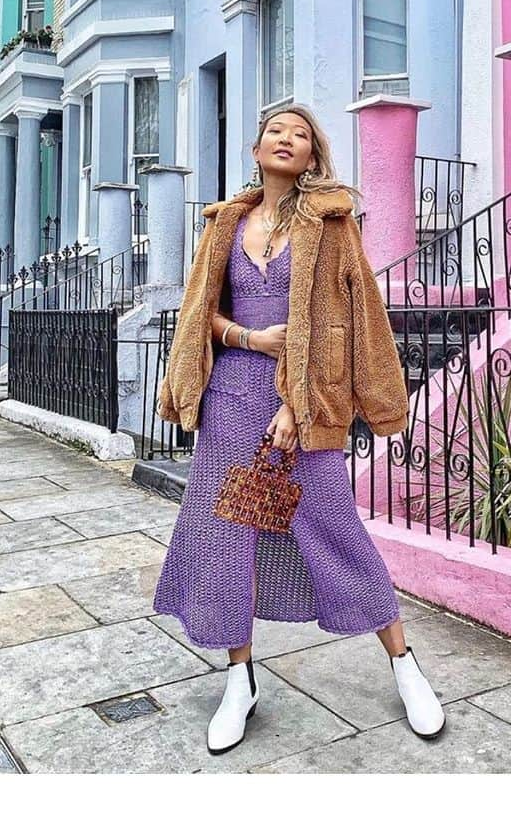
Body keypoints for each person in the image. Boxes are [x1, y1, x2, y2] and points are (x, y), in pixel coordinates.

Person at [152, 103, 445, 754]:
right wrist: (250, 336)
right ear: (257, 149)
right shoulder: (225, 223)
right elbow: (204, 317)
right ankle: (240, 679)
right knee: (230, 539)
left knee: (334, 527)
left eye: (302, 135)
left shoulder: (332, 224)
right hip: (231, 399)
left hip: (304, 409)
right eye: (277, 132)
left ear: (313, 158)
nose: (288, 140)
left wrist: (301, 402)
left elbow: (352, 318)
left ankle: (404, 664)